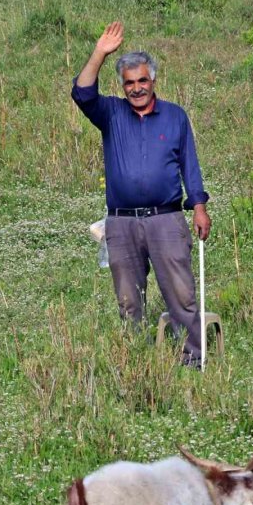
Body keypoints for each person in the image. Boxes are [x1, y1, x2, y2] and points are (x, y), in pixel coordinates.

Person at [72, 21, 211, 368]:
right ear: (123, 86)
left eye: (142, 81)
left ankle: (193, 359)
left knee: (181, 294)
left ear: (153, 81)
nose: (136, 88)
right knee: (128, 300)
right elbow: (82, 93)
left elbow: (189, 165)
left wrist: (199, 206)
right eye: (129, 83)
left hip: (166, 219)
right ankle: (136, 363)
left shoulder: (175, 117)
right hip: (121, 224)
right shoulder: (111, 114)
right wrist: (100, 53)